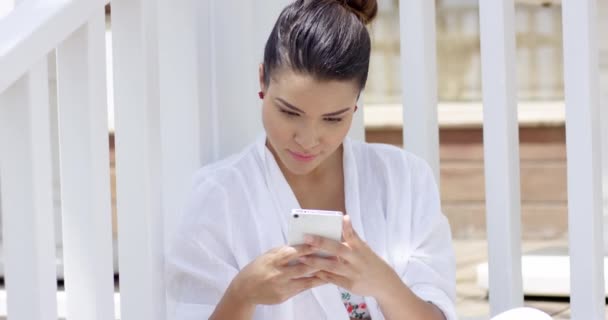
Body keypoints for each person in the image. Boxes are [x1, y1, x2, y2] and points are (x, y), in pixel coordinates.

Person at [166, 0, 456, 319]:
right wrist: (242, 293)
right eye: (290, 113)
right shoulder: (217, 196)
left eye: (333, 119)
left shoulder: (404, 179)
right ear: (262, 81)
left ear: (355, 106)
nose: (307, 139)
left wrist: (383, 284)